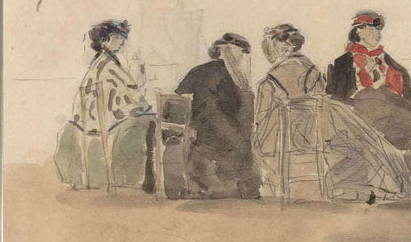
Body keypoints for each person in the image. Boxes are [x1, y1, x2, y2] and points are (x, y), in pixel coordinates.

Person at [254, 23, 411, 203]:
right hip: (317, 133)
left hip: (284, 137)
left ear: (282, 47)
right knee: (357, 147)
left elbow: (262, 120)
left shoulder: (269, 80)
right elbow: (320, 101)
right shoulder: (312, 70)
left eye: (271, 47)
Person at [55, 19, 155, 191]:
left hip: (92, 120)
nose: (121, 44)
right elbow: (131, 92)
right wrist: (143, 96)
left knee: (144, 117)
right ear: (105, 40)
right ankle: (146, 179)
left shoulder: (99, 63)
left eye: (122, 41)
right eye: (118, 40)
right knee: (151, 120)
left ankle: (139, 177)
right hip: (104, 120)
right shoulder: (108, 65)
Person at [325, 11, 411, 150]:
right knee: (405, 116)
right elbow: (338, 97)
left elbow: (403, 76)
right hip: (364, 103)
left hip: (389, 97)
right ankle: (403, 147)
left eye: (379, 31)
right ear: (360, 30)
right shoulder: (344, 61)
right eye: (374, 30)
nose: (379, 35)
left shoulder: (382, 56)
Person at [175, 33, 260, 199]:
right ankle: (236, 185)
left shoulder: (199, 71)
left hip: (205, 135)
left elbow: (180, 96)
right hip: (224, 139)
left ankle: (218, 185)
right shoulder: (239, 78)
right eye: (241, 52)